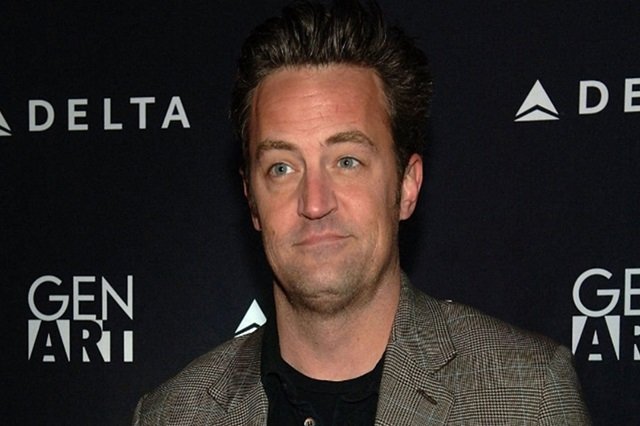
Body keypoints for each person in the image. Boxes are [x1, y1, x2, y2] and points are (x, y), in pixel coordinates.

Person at [133, 1, 590, 424]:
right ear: (251, 199)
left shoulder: (527, 398)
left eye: (347, 161)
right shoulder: (173, 416)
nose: (315, 203)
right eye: (282, 167)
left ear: (407, 185)